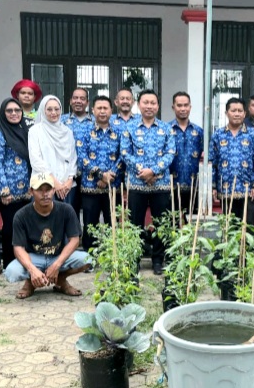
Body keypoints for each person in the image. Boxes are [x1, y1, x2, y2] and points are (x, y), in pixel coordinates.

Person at [5, 172, 90, 299]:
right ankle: (31, 282)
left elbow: (74, 240)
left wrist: (57, 265)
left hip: (57, 255)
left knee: (88, 260)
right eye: (40, 190)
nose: (45, 194)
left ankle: (60, 279)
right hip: (34, 258)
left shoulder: (66, 210)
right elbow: (18, 248)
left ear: (54, 190)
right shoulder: (21, 215)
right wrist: (32, 270)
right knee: (11, 272)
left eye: (48, 189)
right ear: (31, 191)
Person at [121, 89, 175, 275]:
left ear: (158, 106)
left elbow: (170, 152)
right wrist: (142, 171)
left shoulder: (166, 128)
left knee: (160, 224)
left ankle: (158, 260)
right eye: (146, 102)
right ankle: (134, 259)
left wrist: (153, 171)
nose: (149, 106)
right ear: (139, 105)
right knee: (135, 223)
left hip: (161, 184)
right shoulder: (129, 128)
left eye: (153, 103)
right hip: (137, 184)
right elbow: (125, 153)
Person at [0, 98, 32, 268]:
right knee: (11, 227)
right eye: (9, 111)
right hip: (9, 193)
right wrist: (4, 191)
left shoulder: (25, 132)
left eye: (17, 110)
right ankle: (9, 263)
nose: (14, 113)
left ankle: (24, 262)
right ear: (3, 113)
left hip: (26, 191)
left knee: (25, 227)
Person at [77, 95, 123, 252]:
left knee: (113, 224)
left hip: (112, 187)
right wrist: (100, 174)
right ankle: (90, 257)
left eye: (105, 108)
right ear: (93, 110)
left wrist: (109, 176)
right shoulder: (84, 131)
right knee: (90, 225)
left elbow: (123, 156)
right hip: (90, 187)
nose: (102, 111)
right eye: (99, 108)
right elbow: (81, 156)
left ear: (111, 110)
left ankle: (113, 256)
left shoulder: (119, 132)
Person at [210, 97, 254, 225]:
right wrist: (213, 186)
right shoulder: (218, 135)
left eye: (240, 111)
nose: (237, 114)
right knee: (229, 227)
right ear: (226, 113)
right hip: (225, 190)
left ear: (245, 113)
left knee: (247, 227)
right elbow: (212, 162)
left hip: (247, 191)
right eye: (233, 111)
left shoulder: (252, 134)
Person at [29, 95, 78, 206]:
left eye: (56, 109)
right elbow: (36, 160)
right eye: (49, 109)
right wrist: (54, 182)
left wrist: (70, 180)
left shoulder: (67, 132)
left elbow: (73, 158)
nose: (53, 113)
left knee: (65, 215)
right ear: (43, 111)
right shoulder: (35, 131)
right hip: (44, 185)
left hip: (66, 187)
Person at [169, 92, 203, 217]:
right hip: (171, 186)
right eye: (179, 105)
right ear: (173, 107)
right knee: (172, 223)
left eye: (186, 105)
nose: (183, 109)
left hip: (194, 187)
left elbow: (205, 157)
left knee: (193, 224)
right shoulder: (166, 129)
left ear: (190, 107)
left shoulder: (199, 131)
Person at [60, 88, 93, 218]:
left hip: (90, 175)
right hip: (67, 175)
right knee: (70, 211)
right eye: (75, 98)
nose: (78, 101)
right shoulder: (61, 121)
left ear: (87, 102)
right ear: (70, 101)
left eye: (82, 98)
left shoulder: (95, 121)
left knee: (90, 212)